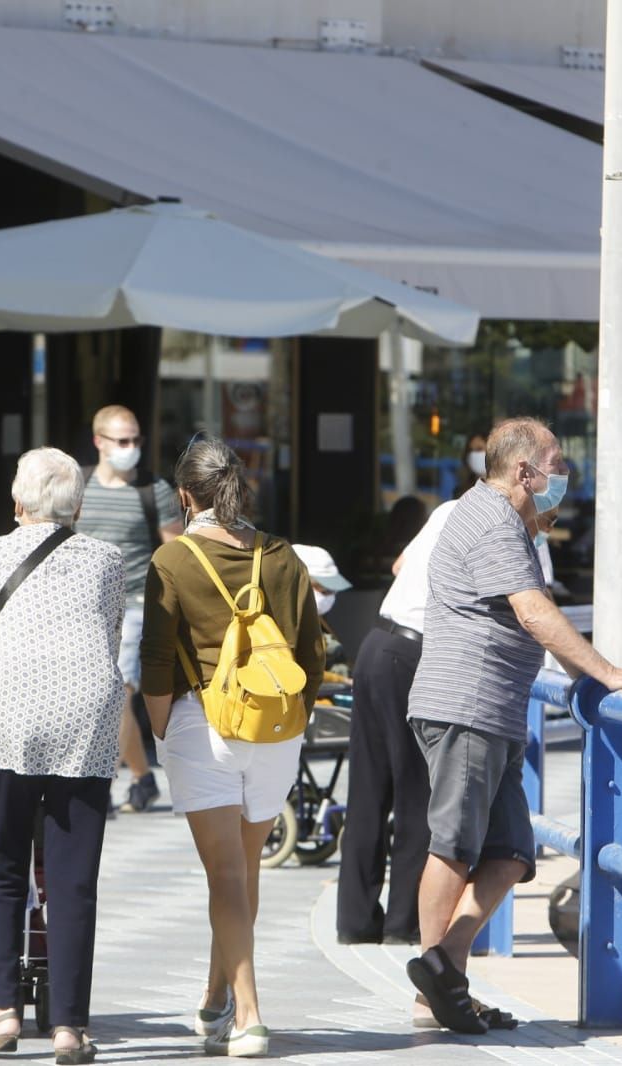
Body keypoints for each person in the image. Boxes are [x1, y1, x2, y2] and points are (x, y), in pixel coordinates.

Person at [404, 417, 622, 1035]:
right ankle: (432, 990)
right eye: (556, 467)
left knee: (514, 850)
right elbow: (532, 611)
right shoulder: (491, 519)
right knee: (455, 846)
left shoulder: (505, 521)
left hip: (492, 712)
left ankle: (442, 969)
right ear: (524, 472)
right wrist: (608, 671)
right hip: (467, 707)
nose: (562, 480)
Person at [139, 436, 325, 1057]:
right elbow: (310, 651)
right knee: (243, 874)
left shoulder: (173, 560)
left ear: (185, 496)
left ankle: (248, 1013)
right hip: (277, 727)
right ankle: (216, 996)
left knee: (224, 875)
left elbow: (156, 659)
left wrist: (165, 729)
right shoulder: (283, 555)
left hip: (204, 721)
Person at [0, 448, 124, 1064]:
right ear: (76, 506)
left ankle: (2, 1015)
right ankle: (70, 1027)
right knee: (73, 877)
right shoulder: (105, 558)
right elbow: (111, 634)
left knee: (4, 864)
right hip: (85, 719)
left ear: (16, 503)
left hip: (8, 716)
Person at [335, 501, 454, 949]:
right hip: (416, 655)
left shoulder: (447, 511)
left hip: (378, 644)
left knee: (367, 791)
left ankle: (355, 919)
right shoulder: (508, 526)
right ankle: (404, 922)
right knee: (418, 794)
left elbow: (401, 563)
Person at [75, 404, 183, 814]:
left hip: (135, 603)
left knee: (116, 693)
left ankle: (97, 781)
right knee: (95, 696)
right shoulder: (80, 486)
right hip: (83, 606)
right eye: (122, 440)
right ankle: (140, 776)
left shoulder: (153, 490)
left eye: (136, 439)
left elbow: (176, 549)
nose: (131, 447)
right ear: (99, 442)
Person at [293, 543, 353, 676]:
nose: (330, 597)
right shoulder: (275, 624)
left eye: (333, 591)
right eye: (324, 590)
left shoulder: (316, 621)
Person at [459, 432, 488, 496]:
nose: (474, 454)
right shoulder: (462, 491)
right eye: (471, 450)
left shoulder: (503, 490)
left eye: (479, 449)